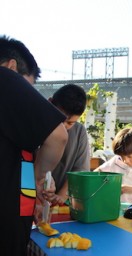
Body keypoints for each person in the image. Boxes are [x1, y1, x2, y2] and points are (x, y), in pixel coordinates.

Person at [0, 35, 68, 255]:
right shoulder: (5, 78)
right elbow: (58, 136)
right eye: (26, 85)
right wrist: (40, 177)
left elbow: (17, 158)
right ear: (12, 66)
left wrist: (32, 197)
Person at [49, 84, 90, 206]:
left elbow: (80, 170)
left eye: (70, 123)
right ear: (50, 103)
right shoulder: (37, 125)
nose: (63, 126)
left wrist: (60, 197)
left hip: (62, 202)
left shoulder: (79, 132)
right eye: (59, 118)